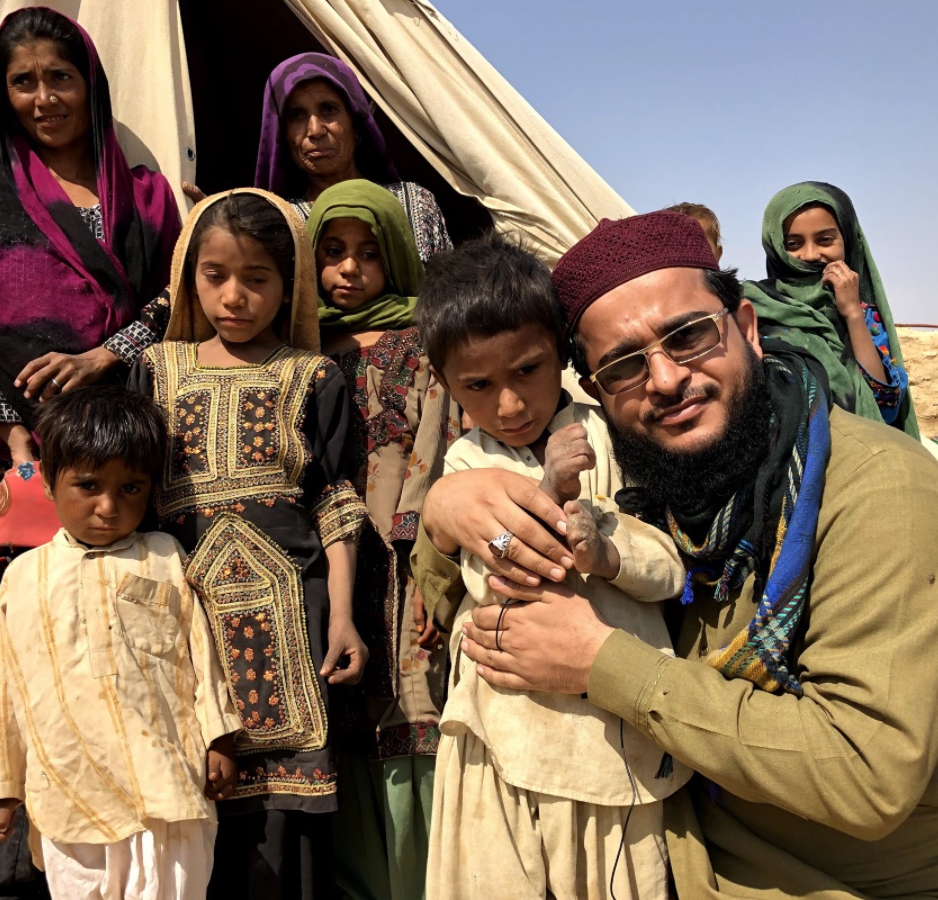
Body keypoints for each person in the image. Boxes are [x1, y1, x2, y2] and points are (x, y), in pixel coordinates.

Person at [412, 210, 938, 899]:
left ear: (748, 328)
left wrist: (600, 661)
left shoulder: (878, 489)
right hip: (701, 861)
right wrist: (444, 517)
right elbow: (459, 603)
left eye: (689, 336)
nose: (667, 379)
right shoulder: (654, 480)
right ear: (597, 391)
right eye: (624, 365)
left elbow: (863, 774)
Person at [0, 6, 181, 899]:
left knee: (99, 650)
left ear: (90, 79)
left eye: (61, 77)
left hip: (114, 457)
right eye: (26, 82)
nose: (45, 97)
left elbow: (176, 306)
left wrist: (107, 356)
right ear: (2, 92)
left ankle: (107, 854)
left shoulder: (142, 195)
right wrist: (17, 441)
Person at [411, 235, 690, 899]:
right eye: (478, 386)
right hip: (501, 727)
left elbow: (666, 567)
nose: (509, 405)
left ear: (562, 356)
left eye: (527, 371)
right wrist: (553, 486)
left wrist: (607, 552)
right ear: (444, 385)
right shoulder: (465, 465)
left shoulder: (614, 436)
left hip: (609, 740)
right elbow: (499, 581)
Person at [129, 188, 367, 898]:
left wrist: (347, 616)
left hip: (295, 618)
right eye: (216, 275)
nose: (235, 296)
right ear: (190, 277)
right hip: (189, 619)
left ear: (286, 283)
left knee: (287, 837)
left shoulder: (312, 377)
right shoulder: (157, 371)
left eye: (257, 278)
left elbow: (335, 500)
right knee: (196, 811)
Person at [0, 385, 241, 899]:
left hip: (166, 781)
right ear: (51, 484)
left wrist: (219, 738)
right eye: (88, 485)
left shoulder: (164, 557)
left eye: (131, 489)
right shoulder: (25, 576)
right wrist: (0, 787)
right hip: (69, 789)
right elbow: (4, 689)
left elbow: (201, 655)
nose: (108, 506)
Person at [304, 180, 459, 900]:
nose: (349, 268)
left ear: (397, 255)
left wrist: (425, 565)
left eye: (369, 252)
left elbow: (437, 447)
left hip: (400, 561)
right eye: (332, 252)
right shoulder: (303, 347)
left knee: (411, 702)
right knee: (343, 717)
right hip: (325, 560)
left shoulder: (422, 343)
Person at [745, 181, 918, 434]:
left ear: (847, 239)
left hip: (859, 450)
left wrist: (852, 314)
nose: (811, 254)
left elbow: (885, 404)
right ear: (775, 248)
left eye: (825, 240)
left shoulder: (863, 315)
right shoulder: (756, 308)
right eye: (793, 244)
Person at [255, 52, 451, 261]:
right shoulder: (279, 224)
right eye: (297, 115)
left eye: (329, 110)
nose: (315, 130)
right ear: (282, 135)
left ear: (356, 125)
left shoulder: (417, 204)